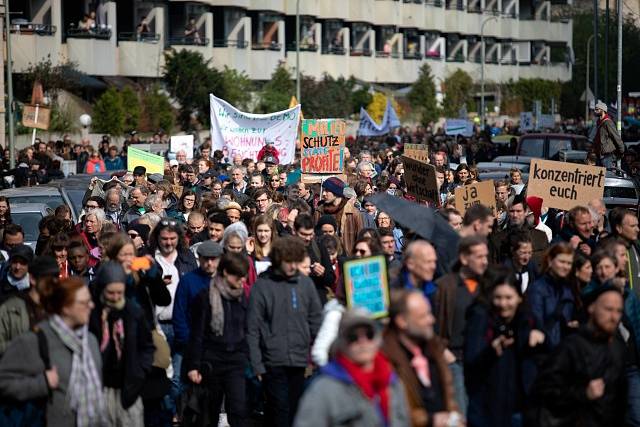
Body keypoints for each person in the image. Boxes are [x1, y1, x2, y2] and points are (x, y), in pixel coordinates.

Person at [0, 277, 107, 427]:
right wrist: (42, 383)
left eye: (89, 300)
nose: (91, 305)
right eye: (83, 303)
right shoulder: (34, 341)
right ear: (65, 307)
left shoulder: (90, 341)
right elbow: (3, 381)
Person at [247, 236, 323, 427]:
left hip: (300, 358)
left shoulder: (305, 284)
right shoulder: (263, 286)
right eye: (287, 261)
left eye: (294, 261)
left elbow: (316, 319)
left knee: (297, 409)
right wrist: (257, 363)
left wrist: (315, 352)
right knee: (279, 409)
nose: (291, 266)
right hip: (272, 360)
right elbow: (253, 328)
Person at [526, 285, 627, 427]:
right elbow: (544, 391)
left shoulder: (617, 348)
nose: (613, 317)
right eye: (608, 309)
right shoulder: (572, 346)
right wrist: (583, 393)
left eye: (619, 311)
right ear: (592, 308)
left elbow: (620, 400)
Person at [294, 309, 411, 427]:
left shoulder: (392, 382)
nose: (362, 341)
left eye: (369, 334)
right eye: (353, 336)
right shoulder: (323, 390)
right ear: (341, 343)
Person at [464, 267, 545, 427]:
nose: (503, 304)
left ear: (519, 298)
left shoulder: (528, 320)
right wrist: (491, 351)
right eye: (498, 298)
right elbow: (472, 361)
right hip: (489, 407)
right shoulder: (482, 319)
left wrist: (540, 338)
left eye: (509, 298)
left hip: (522, 406)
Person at [184, 252, 250, 426]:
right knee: (210, 412)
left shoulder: (241, 296)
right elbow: (197, 333)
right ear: (227, 273)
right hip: (212, 360)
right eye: (239, 276)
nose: (243, 280)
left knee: (238, 409)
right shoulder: (206, 297)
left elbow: (246, 327)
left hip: (235, 360)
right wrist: (194, 366)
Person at [381, 290, 461, 427]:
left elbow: (448, 392)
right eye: (423, 316)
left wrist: (454, 415)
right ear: (402, 321)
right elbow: (392, 410)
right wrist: (429, 420)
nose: (431, 320)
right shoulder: (386, 360)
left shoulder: (433, 349)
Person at [89, 261, 154, 427]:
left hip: (129, 388)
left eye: (119, 292)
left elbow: (147, 346)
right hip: (99, 389)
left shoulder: (133, 312)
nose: (116, 297)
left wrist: (141, 372)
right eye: (111, 293)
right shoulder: (92, 314)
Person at [434, 235, 489, 415]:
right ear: (464, 259)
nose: (485, 262)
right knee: (461, 413)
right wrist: (443, 350)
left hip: (483, 360)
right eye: (479, 257)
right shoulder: (445, 286)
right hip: (455, 361)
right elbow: (431, 325)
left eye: (486, 256)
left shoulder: (488, 285)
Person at [172, 240, 225, 359]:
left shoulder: (225, 280)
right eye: (206, 259)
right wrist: (186, 341)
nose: (209, 263)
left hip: (219, 346)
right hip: (191, 343)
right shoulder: (188, 281)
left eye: (213, 259)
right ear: (199, 258)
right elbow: (180, 314)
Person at [527, 243, 577, 351]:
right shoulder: (537, 289)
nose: (566, 267)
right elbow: (536, 322)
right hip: (543, 351)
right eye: (562, 262)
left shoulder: (568, 290)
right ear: (550, 261)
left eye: (569, 263)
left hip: (563, 352)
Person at [314, 177, 365, 256]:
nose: (323, 194)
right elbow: (315, 238)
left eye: (327, 191)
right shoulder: (319, 211)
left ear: (336, 193)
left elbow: (361, 240)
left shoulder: (353, 213)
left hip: (347, 260)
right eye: (324, 190)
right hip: (324, 259)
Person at [293, 213, 335, 304]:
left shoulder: (319, 248)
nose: (308, 238)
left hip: (317, 300)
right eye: (303, 234)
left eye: (310, 234)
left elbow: (331, 279)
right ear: (294, 231)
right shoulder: (287, 249)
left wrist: (323, 273)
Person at [592, 100, 625, 169]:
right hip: (600, 156)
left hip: (607, 156)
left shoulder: (608, 122)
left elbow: (616, 137)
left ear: (603, 110)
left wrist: (622, 151)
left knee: (608, 177)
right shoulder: (599, 122)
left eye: (597, 109)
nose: (595, 111)